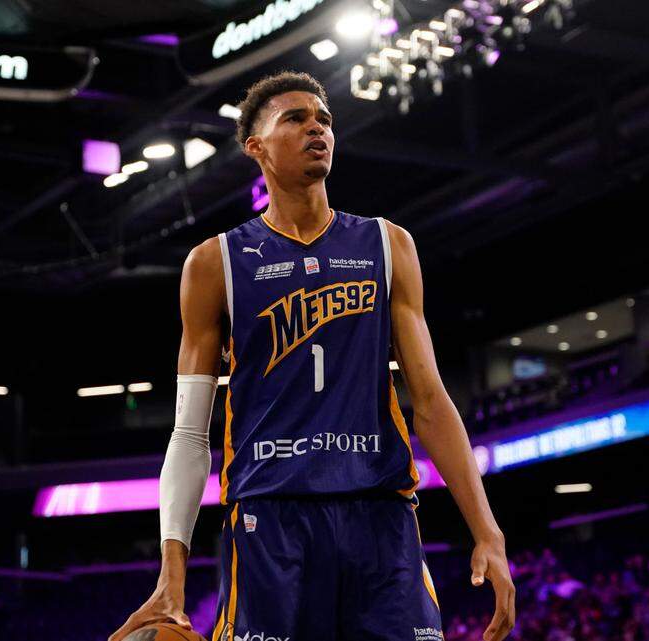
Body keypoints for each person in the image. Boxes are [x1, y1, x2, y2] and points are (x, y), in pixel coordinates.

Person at [109, 71, 515, 641]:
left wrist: (488, 531)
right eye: (295, 119)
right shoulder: (214, 263)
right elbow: (190, 434)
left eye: (323, 119)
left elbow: (429, 401)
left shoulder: (387, 244)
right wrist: (171, 570)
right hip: (270, 518)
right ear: (256, 146)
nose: (316, 129)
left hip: (379, 511)